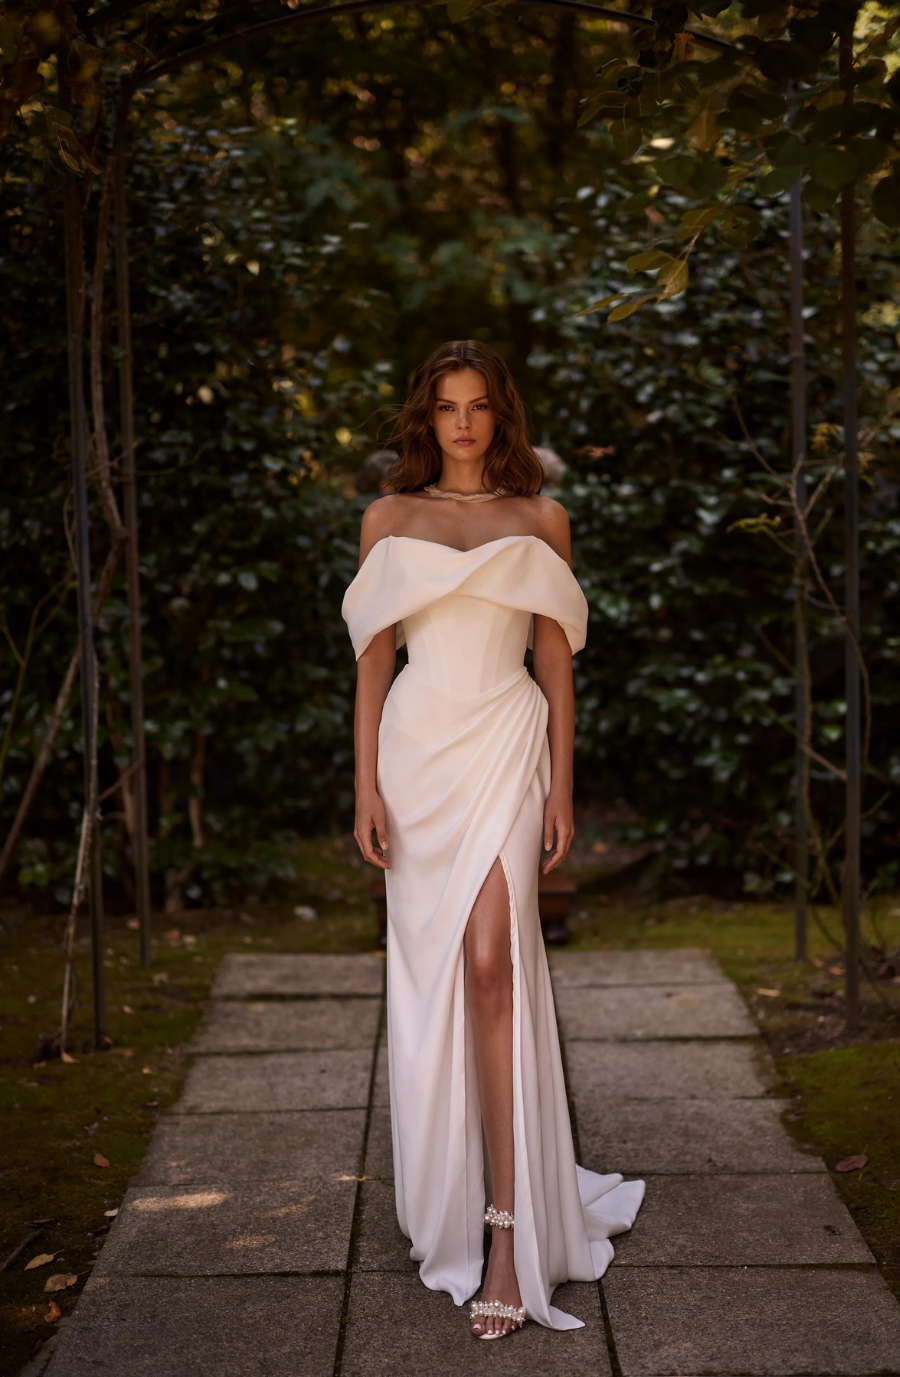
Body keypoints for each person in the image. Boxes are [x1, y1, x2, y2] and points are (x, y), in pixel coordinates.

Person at [342, 341, 643, 1340]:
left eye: (476, 406)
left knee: (490, 965)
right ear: (424, 420)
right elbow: (374, 665)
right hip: (417, 754)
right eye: (444, 408)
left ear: (498, 416)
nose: (462, 423)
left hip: (507, 744)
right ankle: (456, 1198)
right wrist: (363, 790)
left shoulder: (541, 519)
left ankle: (510, 1239)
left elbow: (557, 661)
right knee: (441, 977)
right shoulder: (387, 520)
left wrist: (563, 783)